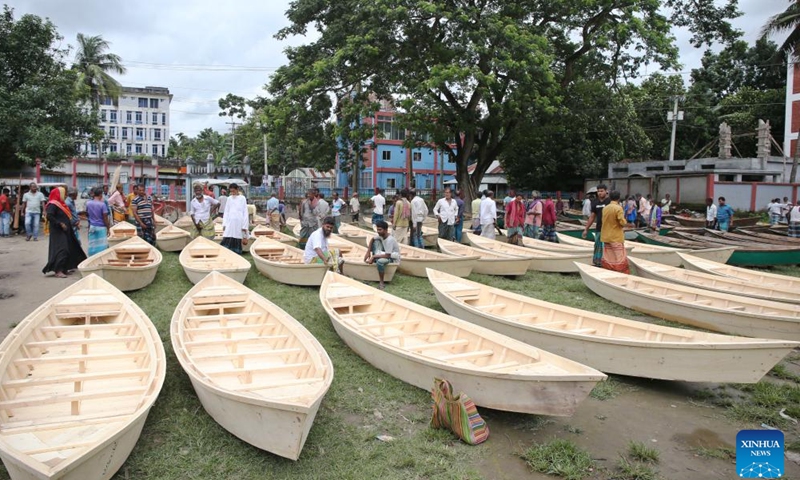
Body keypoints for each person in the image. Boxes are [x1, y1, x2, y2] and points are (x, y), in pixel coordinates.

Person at [42, 187, 86, 278]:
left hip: (66, 230)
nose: (65, 195)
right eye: (63, 193)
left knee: (70, 248)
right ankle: (58, 270)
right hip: (58, 231)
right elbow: (49, 216)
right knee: (62, 249)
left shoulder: (61, 204)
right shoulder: (53, 204)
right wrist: (60, 223)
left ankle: (64, 268)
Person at [364, 220, 401, 290]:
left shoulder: (390, 240)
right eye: (377, 229)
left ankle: (381, 282)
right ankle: (374, 260)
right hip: (386, 253)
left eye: (380, 230)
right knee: (376, 241)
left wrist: (374, 256)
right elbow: (372, 239)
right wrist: (368, 251)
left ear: (386, 230)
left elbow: (387, 255)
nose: (378, 231)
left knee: (380, 262)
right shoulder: (381, 235)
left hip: (393, 258)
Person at [600, 190, 629, 274]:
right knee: (619, 258)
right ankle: (621, 273)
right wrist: (626, 222)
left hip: (606, 236)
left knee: (609, 257)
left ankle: (609, 272)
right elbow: (622, 222)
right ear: (619, 198)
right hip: (616, 236)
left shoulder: (605, 208)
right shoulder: (618, 208)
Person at [582, 184, 609, 267]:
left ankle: (608, 263)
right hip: (599, 228)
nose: (600, 193)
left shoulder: (610, 202)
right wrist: (586, 229)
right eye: (598, 191)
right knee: (597, 246)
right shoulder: (595, 203)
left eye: (602, 191)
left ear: (606, 191)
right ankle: (598, 262)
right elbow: (592, 217)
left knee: (607, 247)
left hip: (609, 229)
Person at [220, 183, 249, 254]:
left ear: (237, 189)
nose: (232, 193)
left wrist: (244, 225)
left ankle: (236, 251)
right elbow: (226, 211)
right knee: (228, 235)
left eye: (233, 191)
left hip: (239, 221)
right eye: (231, 191)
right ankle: (226, 252)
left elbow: (245, 212)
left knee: (237, 235)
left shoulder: (242, 198)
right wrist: (224, 223)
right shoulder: (229, 198)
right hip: (230, 221)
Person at [86, 187, 110, 256]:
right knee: (102, 247)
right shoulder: (102, 205)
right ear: (100, 195)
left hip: (92, 226)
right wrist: (108, 228)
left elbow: (87, 214)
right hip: (101, 228)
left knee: (92, 245)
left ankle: (91, 259)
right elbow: (105, 218)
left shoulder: (88, 203)